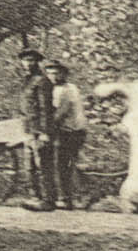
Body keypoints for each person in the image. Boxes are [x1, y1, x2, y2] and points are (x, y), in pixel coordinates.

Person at [44, 59, 88, 210]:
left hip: (72, 131)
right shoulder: (59, 89)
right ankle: (72, 197)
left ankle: (70, 198)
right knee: (67, 164)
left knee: (64, 164)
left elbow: (60, 114)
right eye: (49, 73)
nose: (53, 76)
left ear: (64, 74)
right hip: (71, 130)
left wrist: (45, 128)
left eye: (56, 73)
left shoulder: (67, 90)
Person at [18, 47, 57, 211]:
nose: (28, 63)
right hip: (28, 129)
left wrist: (45, 133)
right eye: (25, 60)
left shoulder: (42, 81)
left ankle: (48, 200)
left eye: (31, 60)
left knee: (43, 165)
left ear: (37, 62)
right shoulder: (27, 81)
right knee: (30, 166)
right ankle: (35, 197)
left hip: (40, 130)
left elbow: (45, 109)